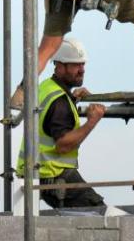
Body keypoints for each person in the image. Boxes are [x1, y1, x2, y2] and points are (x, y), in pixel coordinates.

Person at [16, 38, 107, 209]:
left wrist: (72, 98)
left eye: (82, 64)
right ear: (59, 66)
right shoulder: (59, 101)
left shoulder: (47, 87)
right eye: (75, 65)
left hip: (36, 173)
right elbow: (63, 145)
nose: (82, 70)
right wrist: (91, 122)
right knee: (100, 215)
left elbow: (51, 120)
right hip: (53, 175)